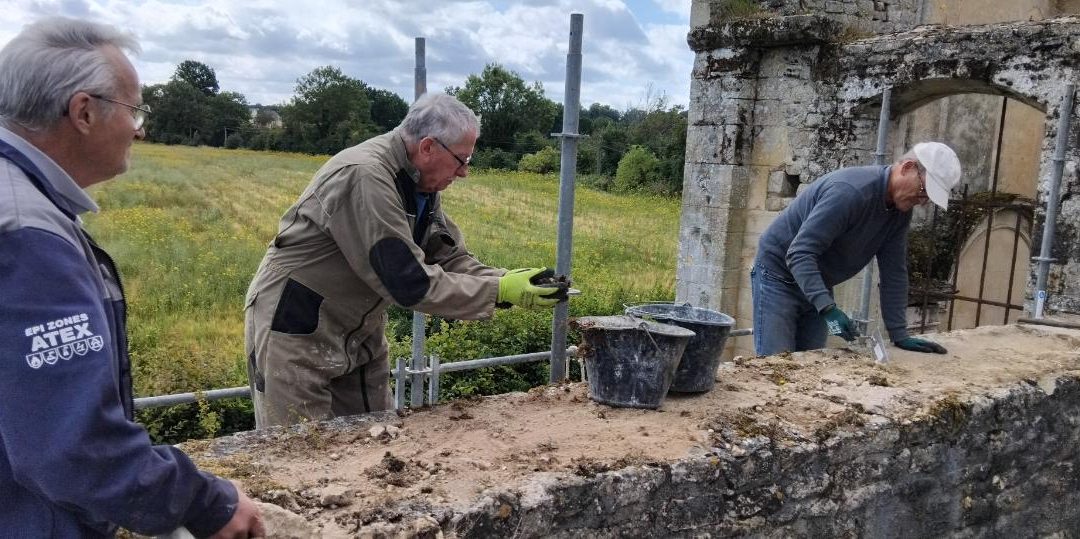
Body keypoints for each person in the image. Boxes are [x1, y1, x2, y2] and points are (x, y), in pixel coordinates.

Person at [0, 17, 264, 538]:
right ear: (83, 111)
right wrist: (205, 502)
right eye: (134, 109)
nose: (140, 128)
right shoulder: (26, 235)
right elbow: (72, 446)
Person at [245, 92, 562, 428]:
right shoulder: (366, 176)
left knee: (376, 437)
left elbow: (448, 256)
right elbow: (408, 282)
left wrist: (510, 280)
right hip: (297, 326)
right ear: (428, 147)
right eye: (462, 160)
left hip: (358, 329)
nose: (465, 173)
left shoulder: (417, 183)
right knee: (300, 450)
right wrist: (497, 291)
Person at [751, 142, 961, 356]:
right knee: (775, 363)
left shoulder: (899, 211)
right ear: (907, 168)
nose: (922, 201)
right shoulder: (850, 192)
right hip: (778, 276)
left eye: (928, 198)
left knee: (810, 365)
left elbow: (894, 272)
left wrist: (899, 334)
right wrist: (827, 308)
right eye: (924, 191)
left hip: (817, 279)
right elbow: (799, 253)